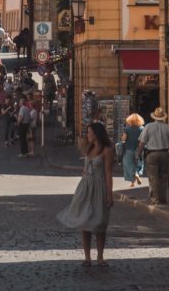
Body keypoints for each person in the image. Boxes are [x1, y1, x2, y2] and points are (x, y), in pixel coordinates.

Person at [56, 121, 114, 267]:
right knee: (85, 222)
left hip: (99, 187)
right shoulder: (88, 150)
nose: (87, 135)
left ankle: (100, 257)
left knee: (100, 223)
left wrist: (109, 194)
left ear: (96, 134)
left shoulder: (107, 151)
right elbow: (84, 170)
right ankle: (87, 257)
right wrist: (80, 190)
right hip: (86, 187)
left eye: (89, 132)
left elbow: (108, 173)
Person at [138, 106, 169, 205]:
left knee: (153, 177)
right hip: (165, 153)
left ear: (154, 117)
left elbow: (142, 142)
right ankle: (163, 198)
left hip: (152, 154)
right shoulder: (168, 127)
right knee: (163, 176)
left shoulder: (148, 126)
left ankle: (156, 199)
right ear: (163, 117)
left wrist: (138, 153)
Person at [120, 113, 145, 187]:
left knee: (128, 164)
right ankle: (137, 173)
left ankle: (132, 181)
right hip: (139, 149)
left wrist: (122, 141)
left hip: (128, 149)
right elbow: (143, 140)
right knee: (139, 163)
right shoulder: (142, 129)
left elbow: (124, 139)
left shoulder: (127, 129)